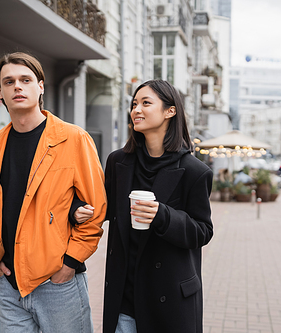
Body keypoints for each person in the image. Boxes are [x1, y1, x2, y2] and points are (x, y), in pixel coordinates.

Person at [0, 52, 106, 333]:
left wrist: (69, 264)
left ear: (41, 86)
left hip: (58, 283)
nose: (17, 87)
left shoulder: (73, 139)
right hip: (9, 285)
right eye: (8, 82)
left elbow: (96, 208)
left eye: (25, 79)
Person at [102, 80, 213, 333]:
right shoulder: (118, 161)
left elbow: (202, 231)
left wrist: (162, 215)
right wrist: (80, 208)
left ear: (170, 111)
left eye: (146, 103)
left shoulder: (195, 171)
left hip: (170, 300)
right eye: (134, 104)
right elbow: (104, 208)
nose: (136, 110)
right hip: (124, 300)